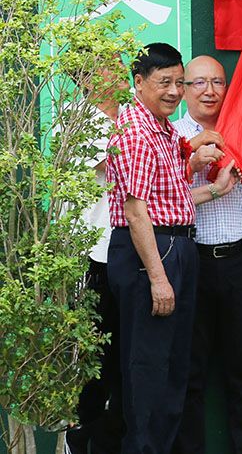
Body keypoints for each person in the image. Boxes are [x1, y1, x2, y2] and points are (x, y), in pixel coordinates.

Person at [105, 44, 237, 454]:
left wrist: (210, 184)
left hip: (177, 246)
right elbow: (136, 209)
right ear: (139, 82)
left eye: (180, 82)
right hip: (152, 254)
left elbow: (170, 196)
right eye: (165, 82)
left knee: (174, 370)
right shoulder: (136, 131)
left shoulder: (162, 129)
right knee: (149, 374)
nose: (175, 91)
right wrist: (159, 278)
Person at [172, 55, 242, 454]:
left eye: (218, 82)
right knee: (189, 373)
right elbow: (161, 203)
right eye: (199, 83)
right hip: (190, 262)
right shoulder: (172, 135)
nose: (210, 91)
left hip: (239, 262)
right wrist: (190, 164)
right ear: (183, 89)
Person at [65, 64, 129, 454]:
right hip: (92, 258)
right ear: (88, 77)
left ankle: (110, 440)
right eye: (111, 66)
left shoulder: (131, 119)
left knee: (125, 359)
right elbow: (121, 166)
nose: (121, 73)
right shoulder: (75, 122)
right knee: (95, 360)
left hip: (130, 252)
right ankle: (81, 437)